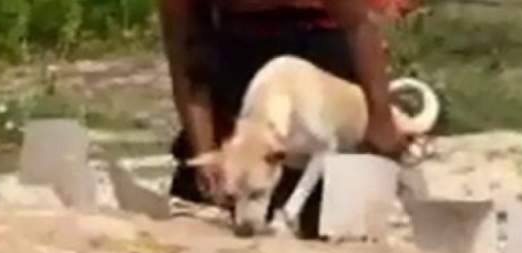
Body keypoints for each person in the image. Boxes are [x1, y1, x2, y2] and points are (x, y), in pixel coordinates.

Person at [159, 0, 411, 238]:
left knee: (348, 229)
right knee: (207, 219)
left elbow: (359, 25)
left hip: (324, 78)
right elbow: (185, 51)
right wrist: (204, 151)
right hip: (240, 77)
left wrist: (381, 119)